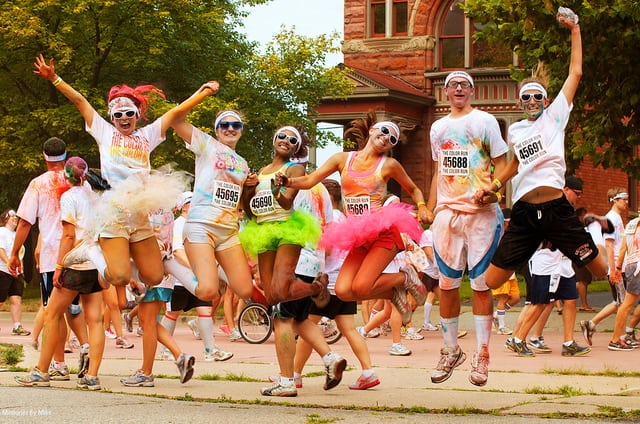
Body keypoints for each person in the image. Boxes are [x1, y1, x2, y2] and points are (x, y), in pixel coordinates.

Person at [33, 55, 190, 294]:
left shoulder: (147, 135)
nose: (124, 118)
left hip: (138, 213)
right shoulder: (104, 133)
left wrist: (203, 93)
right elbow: (79, 101)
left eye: (129, 113)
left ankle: (130, 256)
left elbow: (175, 112)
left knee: (155, 277)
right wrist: (54, 78)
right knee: (118, 277)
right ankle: (91, 251)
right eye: (118, 115)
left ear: (137, 115)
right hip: (114, 211)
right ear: (111, 118)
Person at [274, 112, 429, 324]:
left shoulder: (389, 165)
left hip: (383, 233)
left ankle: (405, 276)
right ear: (373, 130)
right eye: (384, 131)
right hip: (358, 235)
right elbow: (310, 179)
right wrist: (288, 182)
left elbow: (414, 189)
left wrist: (422, 207)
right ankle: (393, 292)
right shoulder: (342, 159)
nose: (386, 138)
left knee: (362, 287)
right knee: (344, 290)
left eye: (392, 139)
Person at [242, 127, 346, 397]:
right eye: (282, 136)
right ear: (273, 139)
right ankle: (328, 357)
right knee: (276, 298)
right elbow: (250, 212)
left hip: (289, 234)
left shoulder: (296, 171)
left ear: (297, 148)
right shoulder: (262, 170)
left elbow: (286, 205)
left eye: (292, 140)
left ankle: (287, 381)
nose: (286, 141)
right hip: (264, 233)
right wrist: (247, 189)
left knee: (280, 312)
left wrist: (280, 186)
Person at [426, 68, 509, 387]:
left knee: (480, 286)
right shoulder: (438, 127)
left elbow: (501, 164)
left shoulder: (485, 121)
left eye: (464, 84)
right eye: (452, 85)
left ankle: (483, 354)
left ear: (471, 91)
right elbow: (439, 169)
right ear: (445, 92)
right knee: (446, 285)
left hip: (480, 214)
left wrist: (495, 190)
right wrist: (432, 207)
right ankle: (450, 350)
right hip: (448, 215)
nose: (458, 89)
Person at [15, 157, 106, 389]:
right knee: (95, 321)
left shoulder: (69, 197)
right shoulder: (96, 197)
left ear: (67, 177)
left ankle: (42, 371)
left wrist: (59, 267)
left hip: (75, 263)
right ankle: (92, 376)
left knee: (52, 314)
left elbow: (68, 235)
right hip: (95, 263)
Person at [8, 138, 87, 381]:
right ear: (65, 156)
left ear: (44, 156)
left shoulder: (38, 184)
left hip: (55, 255)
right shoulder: (80, 180)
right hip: (84, 254)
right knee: (80, 310)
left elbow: (24, 222)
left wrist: (14, 253)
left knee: (54, 311)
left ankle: (59, 364)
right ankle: (87, 349)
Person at [168, 84, 254, 304]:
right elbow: (176, 120)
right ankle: (169, 264)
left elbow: (241, 204)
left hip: (228, 230)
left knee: (245, 290)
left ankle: (210, 264)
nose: (230, 128)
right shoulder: (207, 145)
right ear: (217, 130)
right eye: (224, 125)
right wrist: (202, 93)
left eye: (236, 125)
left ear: (241, 130)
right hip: (201, 225)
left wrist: (251, 186)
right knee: (208, 292)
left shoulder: (244, 164)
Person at [159, 191, 233, 362]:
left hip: (199, 278)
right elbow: (177, 251)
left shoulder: (198, 225)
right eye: (194, 202)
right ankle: (164, 350)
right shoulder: (178, 225)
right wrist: (197, 268)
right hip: (179, 279)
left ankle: (210, 350)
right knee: (173, 313)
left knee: (205, 310)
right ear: (185, 206)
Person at [579, 187, 630, 346]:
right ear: (615, 200)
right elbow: (609, 246)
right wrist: (615, 269)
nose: (627, 203)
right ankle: (617, 339)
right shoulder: (610, 219)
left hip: (620, 267)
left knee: (619, 302)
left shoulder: (618, 218)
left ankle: (591, 324)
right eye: (624, 200)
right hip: (616, 269)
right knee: (622, 304)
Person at [0, 209, 30, 336]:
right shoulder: (2, 231)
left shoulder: (17, 234)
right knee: (0, 301)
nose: (15, 218)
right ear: (5, 218)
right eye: (12, 216)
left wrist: (21, 269)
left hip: (16, 273)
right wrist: (8, 263)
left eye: (16, 216)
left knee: (16, 299)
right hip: (2, 270)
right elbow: (1, 250)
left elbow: (19, 254)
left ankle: (17, 326)